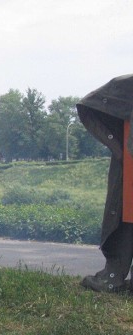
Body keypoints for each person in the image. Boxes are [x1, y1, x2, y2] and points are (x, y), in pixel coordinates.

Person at [77, 74, 133, 293]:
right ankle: (114, 275)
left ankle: (114, 276)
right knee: (125, 211)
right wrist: (117, 147)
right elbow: (91, 103)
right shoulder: (127, 86)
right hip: (128, 171)